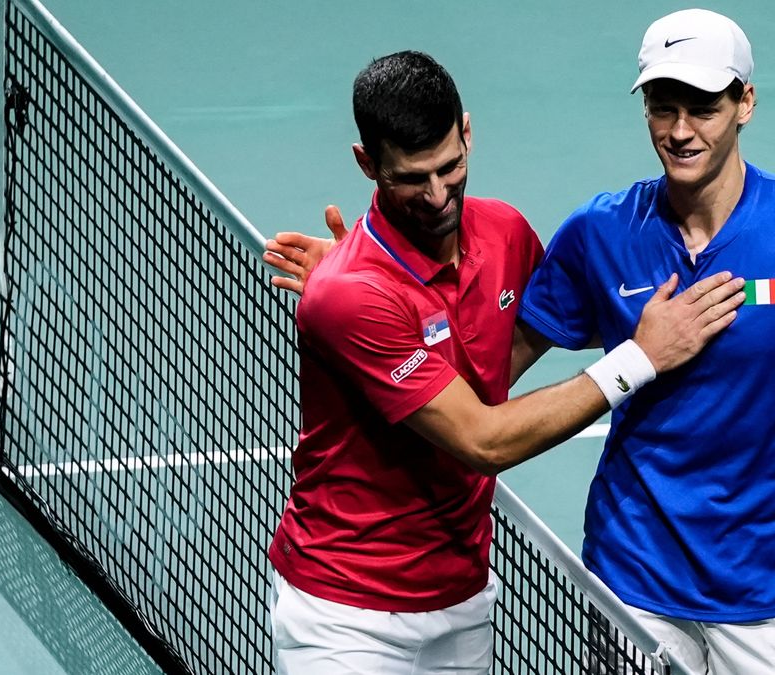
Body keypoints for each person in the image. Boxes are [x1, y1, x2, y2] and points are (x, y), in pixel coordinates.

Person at [269, 11, 775, 673]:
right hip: (630, 580)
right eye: (663, 107)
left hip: (764, 592)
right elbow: (485, 376)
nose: (681, 130)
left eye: (704, 108)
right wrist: (369, 286)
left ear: (746, 102)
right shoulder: (599, 235)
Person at [264, 50, 745, 675]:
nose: (438, 196)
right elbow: (482, 440)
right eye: (411, 179)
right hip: (345, 614)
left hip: (463, 602)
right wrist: (641, 358)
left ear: (467, 132)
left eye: (450, 167)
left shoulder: (505, 234)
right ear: (368, 165)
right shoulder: (349, 294)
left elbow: (536, 334)